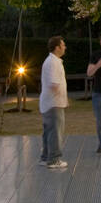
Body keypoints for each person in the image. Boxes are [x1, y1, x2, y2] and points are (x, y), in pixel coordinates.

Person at [40, 35, 68, 170]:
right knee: (55, 132)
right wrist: (60, 94)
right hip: (54, 103)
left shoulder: (53, 61)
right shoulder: (53, 62)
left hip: (50, 102)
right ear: (57, 47)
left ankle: (46, 157)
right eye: (63, 45)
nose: (65, 47)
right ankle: (54, 159)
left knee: (49, 131)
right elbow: (53, 83)